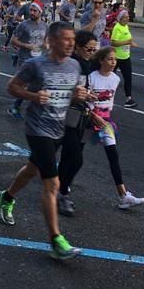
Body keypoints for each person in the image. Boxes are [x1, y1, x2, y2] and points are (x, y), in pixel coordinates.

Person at [0, 21, 89, 260]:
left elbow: (71, 96)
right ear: (52, 40)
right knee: (52, 184)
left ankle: (6, 197)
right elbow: (12, 87)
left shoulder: (74, 66)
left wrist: (79, 96)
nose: (71, 43)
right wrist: (32, 96)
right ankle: (56, 241)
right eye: (66, 39)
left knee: (31, 169)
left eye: (73, 39)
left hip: (60, 128)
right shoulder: (35, 65)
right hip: (37, 129)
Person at [86, 47, 144, 209]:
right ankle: (62, 187)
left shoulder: (115, 79)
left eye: (115, 60)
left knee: (113, 155)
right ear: (101, 60)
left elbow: (109, 103)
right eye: (110, 59)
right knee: (74, 157)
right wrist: (92, 115)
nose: (114, 62)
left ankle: (123, 195)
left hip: (105, 122)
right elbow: (84, 101)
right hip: (87, 120)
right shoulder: (91, 78)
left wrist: (104, 117)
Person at [56, 30, 98, 216]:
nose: (92, 53)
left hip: (84, 116)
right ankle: (62, 193)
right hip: (66, 114)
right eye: (89, 49)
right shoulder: (71, 64)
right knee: (75, 159)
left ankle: (59, 187)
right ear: (79, 48)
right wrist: (77, 95)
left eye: (94, 50)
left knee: (70, 155)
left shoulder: (90, 64)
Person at [7, 0, 48, 119]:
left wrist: (47, 45)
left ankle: (34, 108)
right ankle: (15, 106)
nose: (32, 12)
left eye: (35, 10)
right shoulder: (23, 25)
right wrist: (26, 46)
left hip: (39, 59)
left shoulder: (44, 25)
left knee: (38, 84)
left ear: (40, 12)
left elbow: (45, 40)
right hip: (25, 58)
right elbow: (13, 40)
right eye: (31, 10)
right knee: (23, 85)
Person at [110, 10, 138, 108]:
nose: (127, 18)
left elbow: (127, 39)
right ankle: (106, 96)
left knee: (128, 78)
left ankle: (129, 99)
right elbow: (113, 43)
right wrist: (127, 42)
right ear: (120, 18)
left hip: (125, 57)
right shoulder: (117, 28)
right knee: (110, 78)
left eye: (128, 17)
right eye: (125, 17)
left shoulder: (125, 26)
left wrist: (130, 42)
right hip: (116, 58)